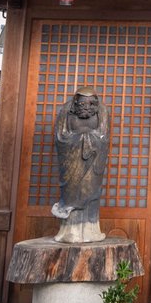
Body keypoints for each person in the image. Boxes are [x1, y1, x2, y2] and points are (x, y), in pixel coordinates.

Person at [51, 87, 110, 243]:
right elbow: (60, 137)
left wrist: (88, 139)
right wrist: (82, 138)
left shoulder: (102, 111)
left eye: (91, 105)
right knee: (71, 192)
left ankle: (91, 231)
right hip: (72, 161)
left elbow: (103, 138)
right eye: (83, 104)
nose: (87, 108)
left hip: (93, 161)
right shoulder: (66, 110)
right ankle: (69, 232)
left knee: (92, 193)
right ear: (75, 102)